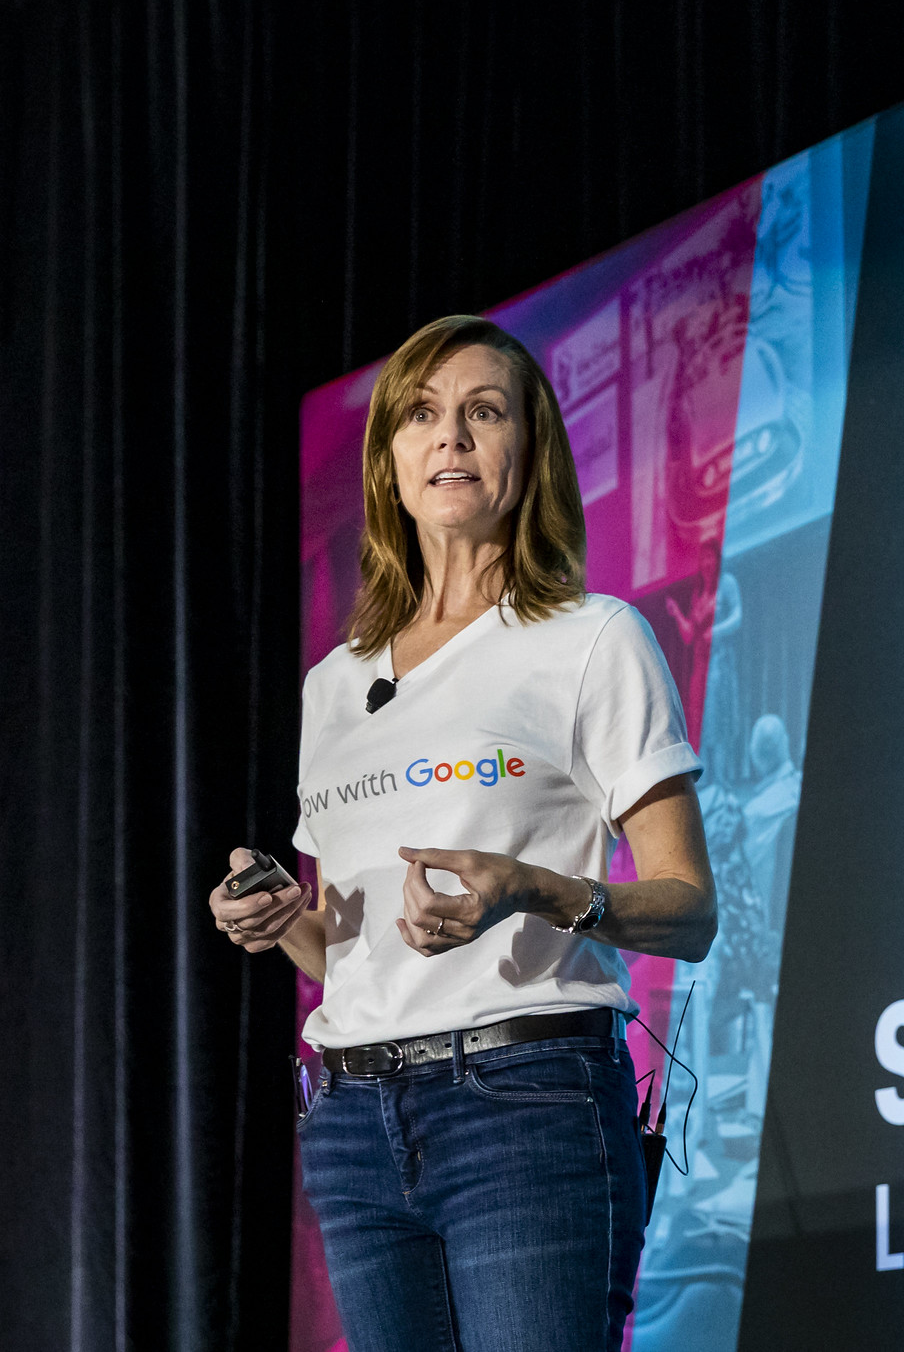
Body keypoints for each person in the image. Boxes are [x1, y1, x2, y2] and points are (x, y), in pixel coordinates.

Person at [206, 315, 717, 1352]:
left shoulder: (590, 640)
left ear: (528, 456)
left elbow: (690, 910)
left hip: (526, 1103)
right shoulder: (335, 686)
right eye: (424, 416)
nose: (452, 438)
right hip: (353, 1122)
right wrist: (282, 920)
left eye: (484, 412)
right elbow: (350, 960)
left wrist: (531, 887)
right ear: (389, 459)